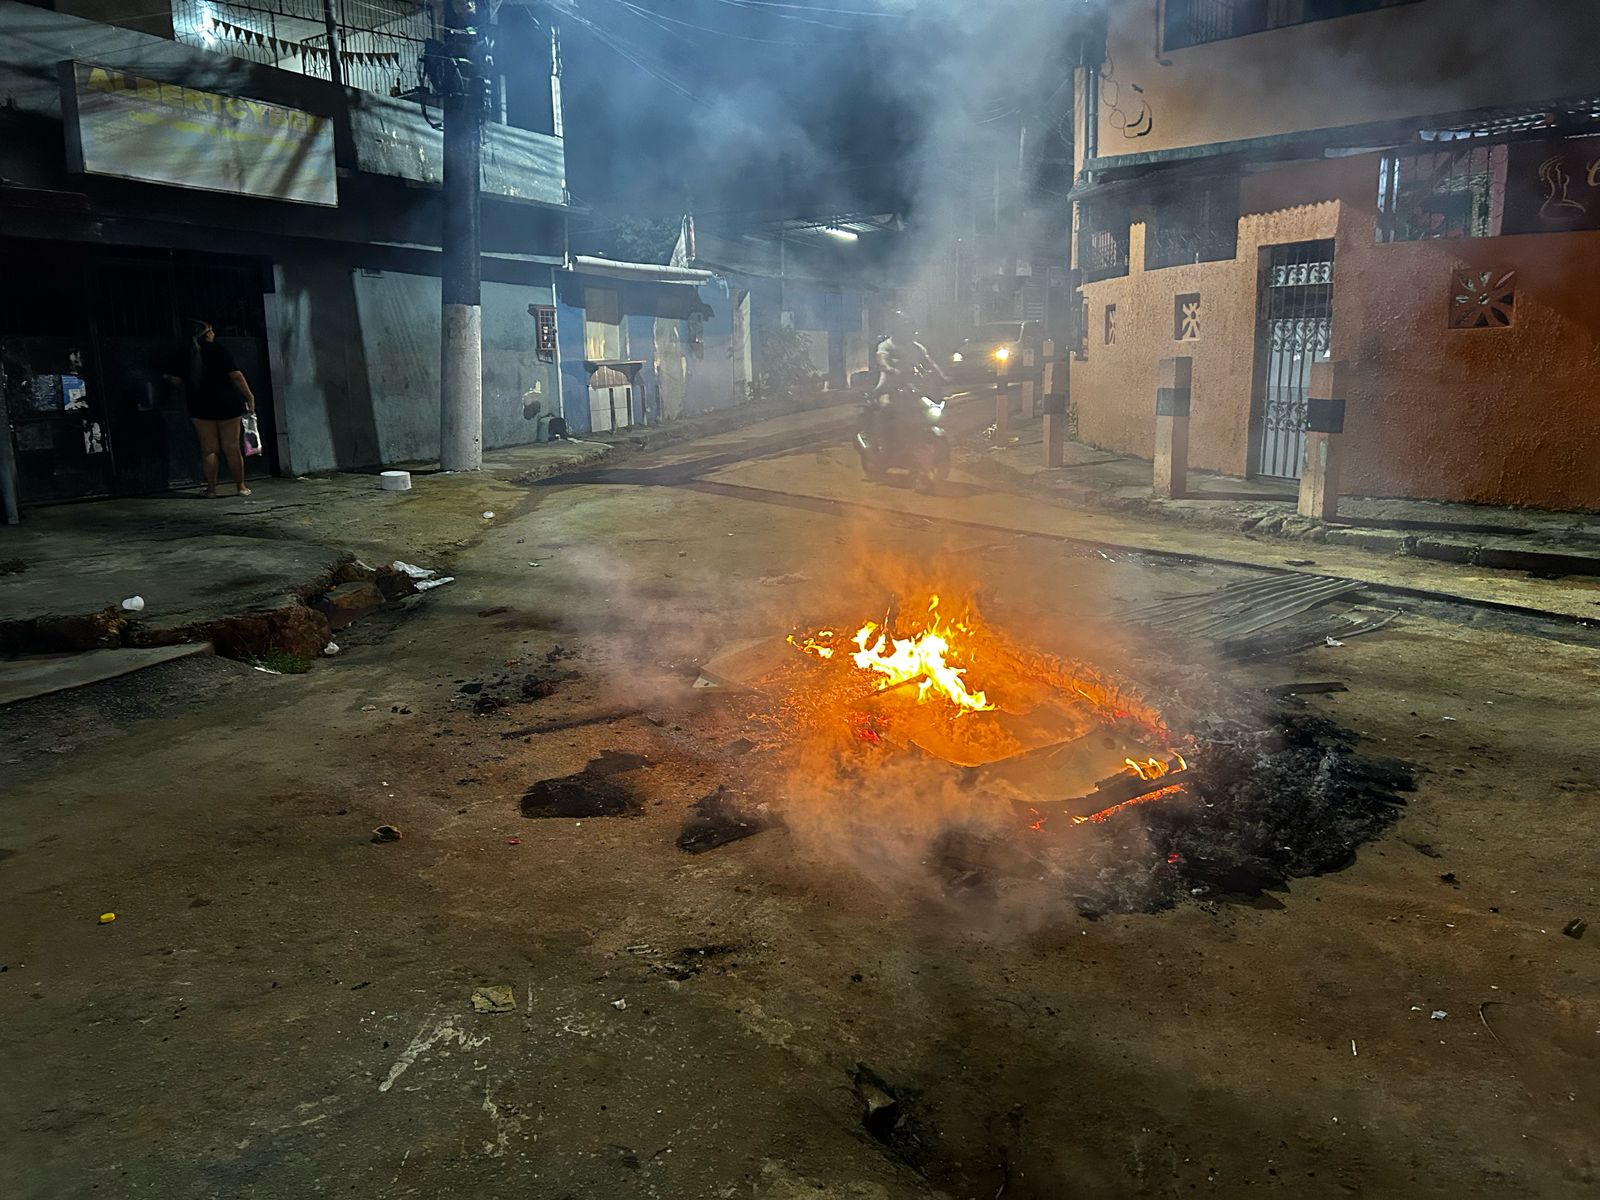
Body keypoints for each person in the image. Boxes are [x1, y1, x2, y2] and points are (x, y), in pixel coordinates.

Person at [166, 319, 257, 498]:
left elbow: (175, 380)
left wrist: (166, 377)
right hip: (227, 404)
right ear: (207, 333)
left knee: (209, 449)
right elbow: (236, 376)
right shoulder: (219, 350)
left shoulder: (185, 352)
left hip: (200, 406)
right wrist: (250, 397)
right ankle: (241, 487)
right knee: (232, 447)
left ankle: (211, 490)